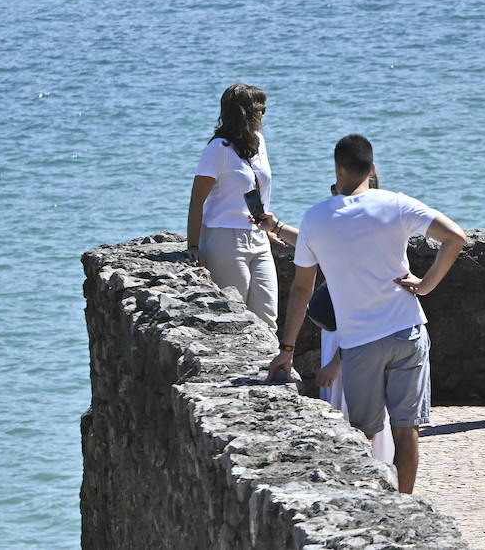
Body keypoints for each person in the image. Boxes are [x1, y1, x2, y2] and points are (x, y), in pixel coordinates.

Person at [267, 135, 466, 493]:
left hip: (360, 342)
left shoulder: (316, 218)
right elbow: (455, 237)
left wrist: (287, 349)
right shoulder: (396, 204)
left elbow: (301, 289)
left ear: (338, 170)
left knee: (363, 433)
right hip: (407, 330)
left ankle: (372, 505)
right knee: (407, 431)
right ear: (372, 169)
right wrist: (426, 286)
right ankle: (405, 506)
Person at [257, 169, 395, 463]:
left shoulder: (362, 237)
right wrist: (277, 226)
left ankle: (368, 473)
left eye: (337, 190)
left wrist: (336, 362)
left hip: (352, 341)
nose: (333, 196)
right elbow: (313, 244)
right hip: (342, 335)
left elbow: (365, 311)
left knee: (356, 415)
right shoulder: (356, 229)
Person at [186, 83, 279, 332]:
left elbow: (260, 188)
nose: (264, 114)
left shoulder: (259, 141)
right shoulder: (218, 149)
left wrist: (267, 226)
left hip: (259, 239)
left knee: (268, 320)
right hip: (225, 239)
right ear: (244, 113)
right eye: (260, 108)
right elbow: (197, 201)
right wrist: (193, 246)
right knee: (237, 318)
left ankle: (266, 370)